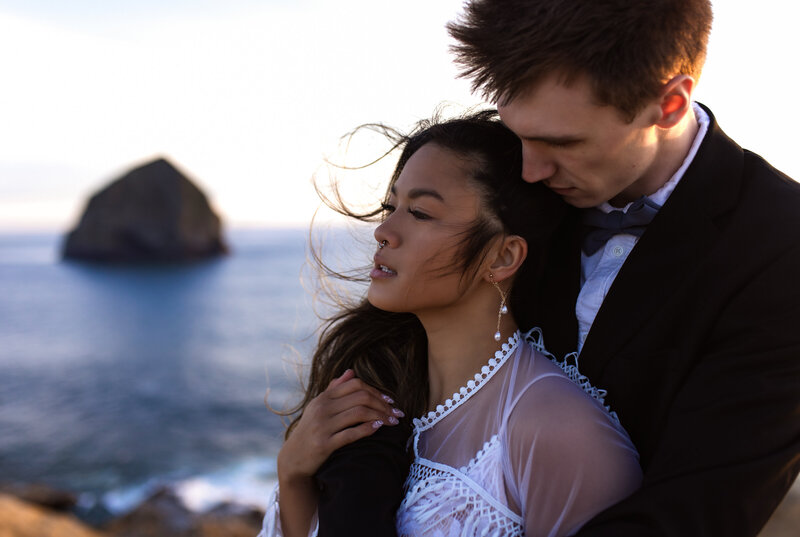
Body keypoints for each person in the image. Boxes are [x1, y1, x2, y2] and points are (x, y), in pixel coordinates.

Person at [446, 1, 800, 536]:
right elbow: (399, 361)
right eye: (518, 132)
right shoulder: (496, 178)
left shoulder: (782, 245)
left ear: (671, 103)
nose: (530, 170)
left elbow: (696, 512)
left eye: (564, 143)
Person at [258, 110, 642, 536]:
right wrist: (293, 473)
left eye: (420, 213)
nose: (383, 230)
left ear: (502, 257)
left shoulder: (558, 432)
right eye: (391, 207)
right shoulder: (371, 388)